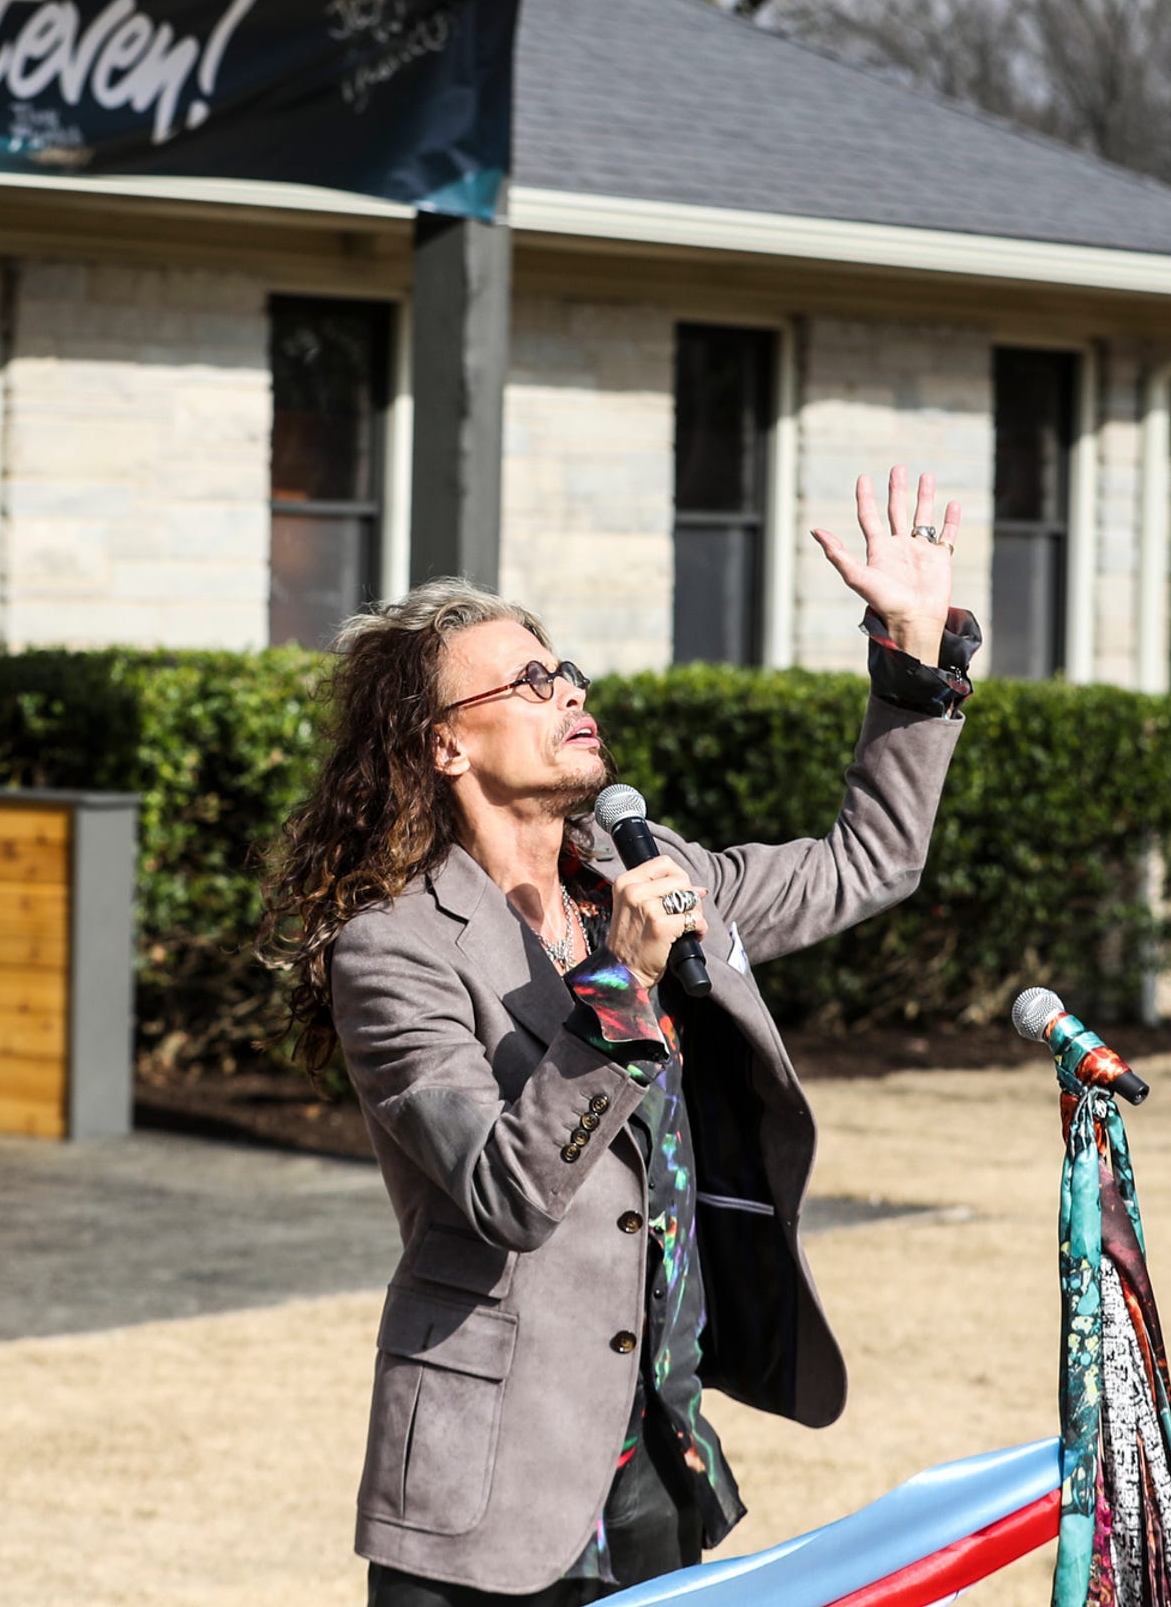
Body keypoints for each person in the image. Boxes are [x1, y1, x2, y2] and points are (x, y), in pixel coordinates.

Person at [264, 467, 979, 1605]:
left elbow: (867, 863)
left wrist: (911, 657)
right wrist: (622, 989)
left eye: (565, 672)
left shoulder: (643, 876)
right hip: (488, 1490)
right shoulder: (393, 950)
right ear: (443, 746)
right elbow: (503, 1194)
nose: (567, 693)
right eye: (527, 681)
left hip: (651, 1458)